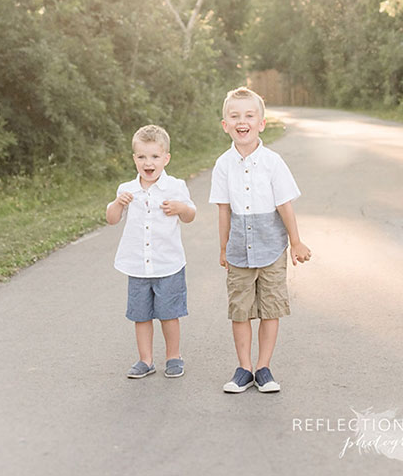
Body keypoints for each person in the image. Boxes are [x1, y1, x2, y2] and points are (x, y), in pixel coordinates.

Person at [209, 87, 311, 394]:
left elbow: (285, 205)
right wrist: (224, 247)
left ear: (261, 123)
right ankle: (244, 368)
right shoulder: (222, 165)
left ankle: (264, 368)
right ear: (225, 124)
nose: (243, 121)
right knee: (240, 310)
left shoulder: (273, 162)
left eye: (249, 116)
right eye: (235, 116)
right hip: (239, 249)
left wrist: (296, 241)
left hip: (272, 249)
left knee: (270, 309)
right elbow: (224, 210)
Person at [105, 124, 196, 379]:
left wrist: (180, 208)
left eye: (155, 156)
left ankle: (173, 356)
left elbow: (190, 215)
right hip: (137, 265)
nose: (148, 162)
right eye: (142, 156)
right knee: (141, 315)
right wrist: (116, 203)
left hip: (168, 264)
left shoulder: (175, 187)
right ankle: (145, 360)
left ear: (166, 158)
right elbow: (111, 219)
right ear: (134, 159)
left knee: (169, 314)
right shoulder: (127, 189)